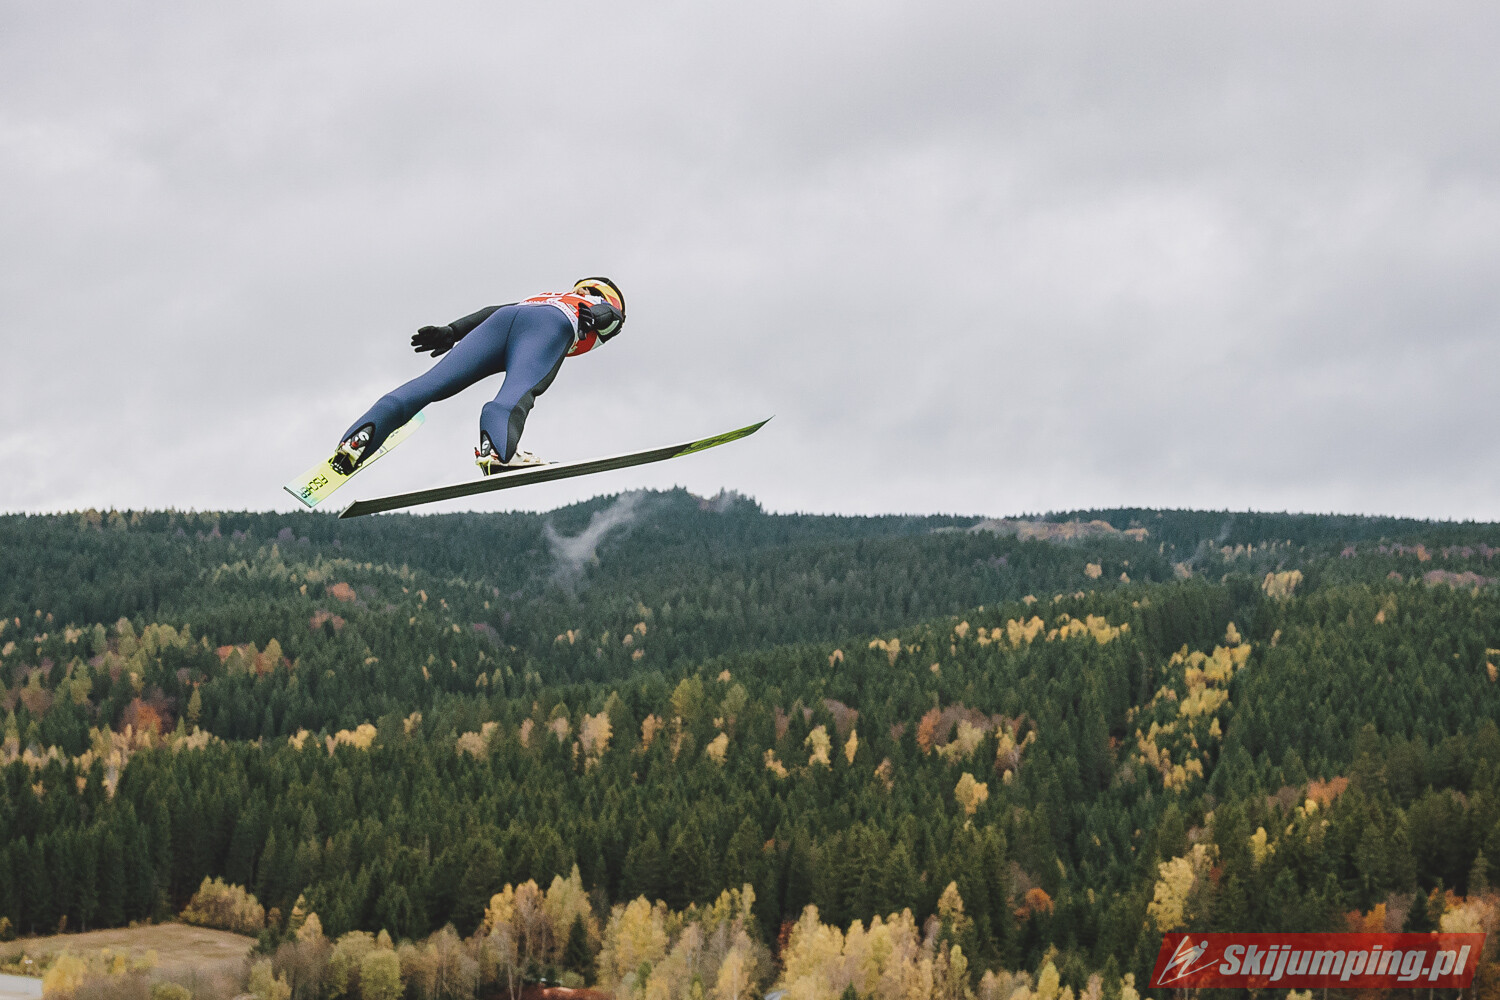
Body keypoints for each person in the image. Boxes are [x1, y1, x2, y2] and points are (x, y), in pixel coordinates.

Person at [331, 277, 625, 476]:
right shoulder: (593, 303)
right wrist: (603, 316)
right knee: (518, 391)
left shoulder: (546, 295)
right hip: (548, 325)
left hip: (503, 320)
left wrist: (453, 331)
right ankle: (497, 451)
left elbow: (495, 311)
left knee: (428, 384)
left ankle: (357, 441)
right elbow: (612, 317)